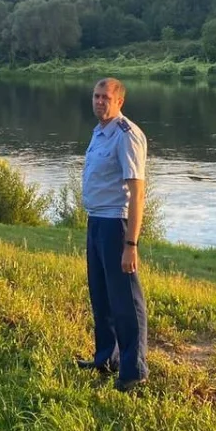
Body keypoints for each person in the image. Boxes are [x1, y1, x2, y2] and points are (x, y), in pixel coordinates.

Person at [77, 77, 149, 392]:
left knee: (125, 300)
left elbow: (137, 193)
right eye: (96, 96)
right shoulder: (99, 131)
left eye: (105, 97)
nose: (99, 102)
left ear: (119, 101)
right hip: (96, 220)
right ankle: (106, 358)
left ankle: (133, 370)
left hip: (116, 225)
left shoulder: (126, 135)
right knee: (102, 296)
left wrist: (130, 243)